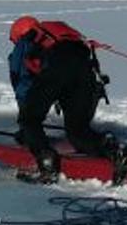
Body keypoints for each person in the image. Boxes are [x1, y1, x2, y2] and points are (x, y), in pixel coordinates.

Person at [6, 15, 120, 181]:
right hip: (84, 72)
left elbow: (21, 79)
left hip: (56, 70)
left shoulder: (26, 41)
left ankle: (46, 162)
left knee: (30, 119)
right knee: (77, 130)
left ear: (18, 34)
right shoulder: (60, 34)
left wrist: (27, 118)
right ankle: (108, 148)